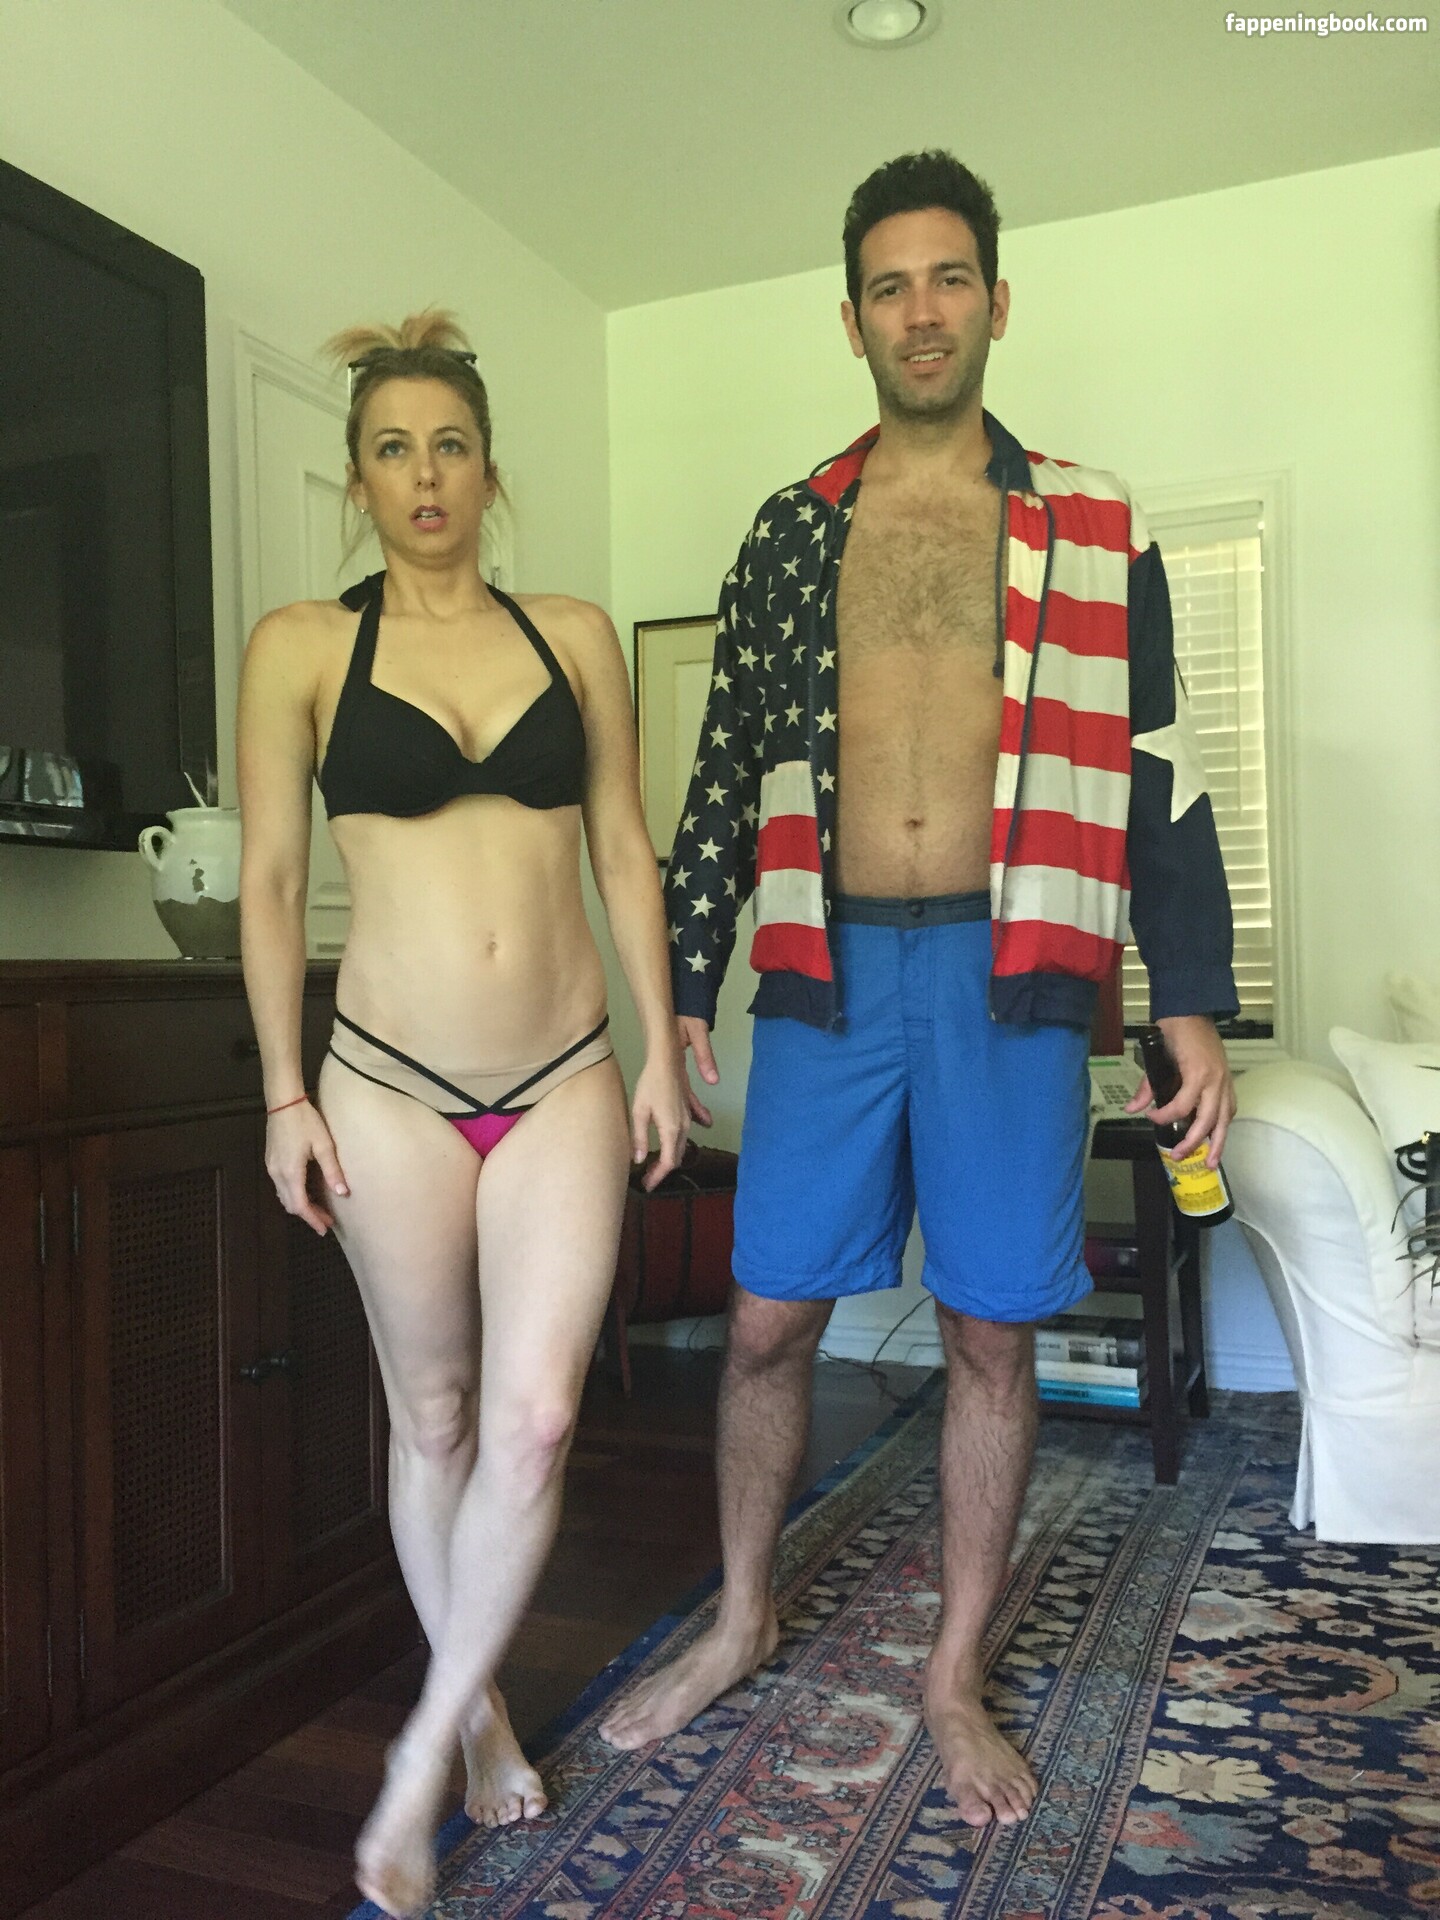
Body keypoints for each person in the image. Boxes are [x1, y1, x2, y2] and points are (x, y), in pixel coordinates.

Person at [598, 152, 1238, 1827]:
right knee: (764, 1321)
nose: (923, 310)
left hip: (1014, 964)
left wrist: (1187, 1000)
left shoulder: (1093, 522)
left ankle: (952, 1674)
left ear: (997, 300)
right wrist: (682, 982)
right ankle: (743, 1615)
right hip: (823, 966)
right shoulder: (793, 528)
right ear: (853, 320)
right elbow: (723, 774)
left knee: (989, 1333)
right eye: (890, 286)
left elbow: (1158, 768)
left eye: (950, 277)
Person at [238, 310, 690, 1918]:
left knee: (538, 1418)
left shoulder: (571, 635)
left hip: (563, 1073)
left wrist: (659, 1047)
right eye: (392, 448)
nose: (424, 474)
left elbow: (623, 847)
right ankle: (482, 1707)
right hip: (387, 1088)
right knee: (432, 1419)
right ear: (358, 479)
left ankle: (422, 1744)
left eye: (450, 445)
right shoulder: (304, 647)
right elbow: (272, 879)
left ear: (490, 471)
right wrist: (283, 1090)